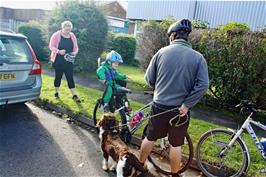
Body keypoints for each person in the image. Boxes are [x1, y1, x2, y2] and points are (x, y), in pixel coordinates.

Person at [138, 19, 209, 177]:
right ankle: (175, 175)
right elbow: (203, 84)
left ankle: (139, 166)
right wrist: (187, 104)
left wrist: (161, 87)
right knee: (176, 144)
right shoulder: (198, 58)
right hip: (180, 110)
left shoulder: (161, 53)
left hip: (159, 105)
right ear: (186, 37)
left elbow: (148, 79)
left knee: (150, 137)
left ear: (173, 36)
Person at [49, 20, 80, 102]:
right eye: (66, 30)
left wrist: (75, 52)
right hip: (58, 60)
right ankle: (56, 93)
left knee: (70, 77)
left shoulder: (72, 35)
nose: (68, 31)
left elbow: (76, 47)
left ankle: (74, 95)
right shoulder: (56, 35)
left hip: (69, 60)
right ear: (62, 28)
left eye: (69, 30)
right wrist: (58, 51)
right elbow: (51, 46)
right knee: (58, 77)